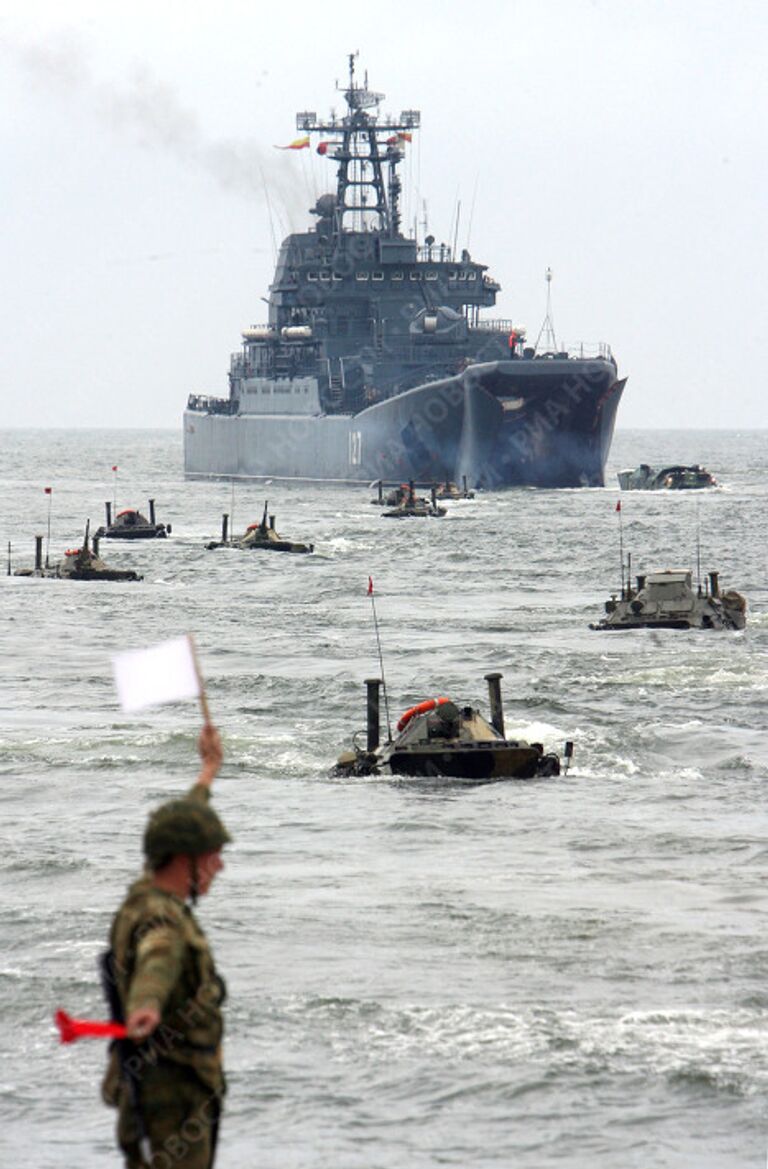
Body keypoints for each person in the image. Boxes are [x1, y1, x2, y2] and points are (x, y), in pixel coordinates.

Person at [102, 723, 230, 1169]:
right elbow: (159, 957)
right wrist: (147, 1005)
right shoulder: (162, 920)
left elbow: (181, 822)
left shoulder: (144, 893)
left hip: (152, 1087)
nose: (220, 865)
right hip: (171, 1098)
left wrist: (208, 771)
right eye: (211, 855)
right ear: (184, 861)